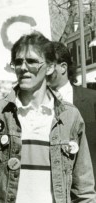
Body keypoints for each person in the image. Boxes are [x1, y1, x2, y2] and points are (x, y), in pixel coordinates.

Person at [0, 32, 96, 203]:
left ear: (51, 67)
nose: (23, 67)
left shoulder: (69, 117)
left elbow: (83, 186)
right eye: (18, 62)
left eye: (32, 61)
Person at [47, 41, 96, 188]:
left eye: (48, 65)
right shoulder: (33, 105)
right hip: (51, 191)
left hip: (88, 190)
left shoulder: (92, 100)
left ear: (63, 67)